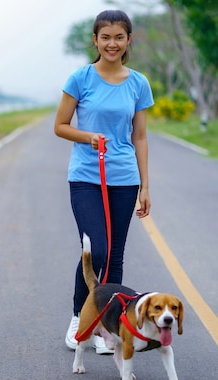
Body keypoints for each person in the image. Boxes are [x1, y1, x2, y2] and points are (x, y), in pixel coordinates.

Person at [53, 10, 154, 354]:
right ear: (95, 40)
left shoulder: (138, 82)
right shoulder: (80, 78)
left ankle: (106, 329)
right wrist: (88, 138)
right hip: (86, 176)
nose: (112, 44)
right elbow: (60, 125)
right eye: (106, 37)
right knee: (97, 250)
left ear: (129, 40)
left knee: (116, 256)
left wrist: (145, 185)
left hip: (124, 178)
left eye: (119, 37)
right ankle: (79, 317)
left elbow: (139, 136)